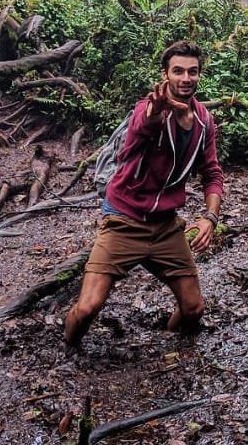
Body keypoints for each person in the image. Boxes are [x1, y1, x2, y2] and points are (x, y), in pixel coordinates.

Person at [64, 40, 224, 347]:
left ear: (199, 76)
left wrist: (210, 217)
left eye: (192, 72)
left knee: (194, 308)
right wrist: (156, 107)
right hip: (124, 219)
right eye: (177, 71)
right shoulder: (149, 109)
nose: (185, 78)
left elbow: (212, 173)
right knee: (87, 308)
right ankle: (68, 352)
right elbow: (143, 123)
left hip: (165, 226)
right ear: (165, 75)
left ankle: (173, 350)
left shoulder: (204, 121)